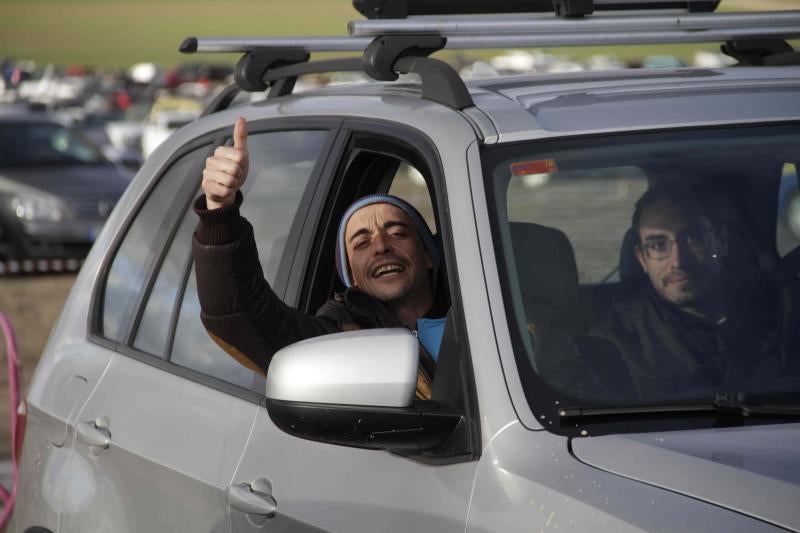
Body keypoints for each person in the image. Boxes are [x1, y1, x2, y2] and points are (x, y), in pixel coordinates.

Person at [192, 117, 447, 399]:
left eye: (398, 233)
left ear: (428, 255)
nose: (381, 246)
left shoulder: (484, 318)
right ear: (351, 276)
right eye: (361, 242)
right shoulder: (336, 339)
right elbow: (240, 314)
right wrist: (219, 211)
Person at [591, 185, 777, 402]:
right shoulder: (618, 346)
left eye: (693, 238)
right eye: (658, 245)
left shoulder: (781, 312)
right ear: (642, 259)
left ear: (722, 241)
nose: (679, 261)